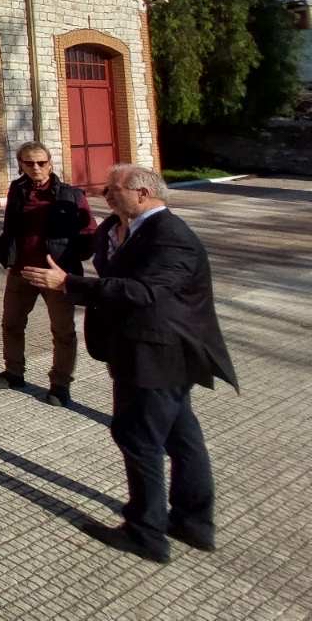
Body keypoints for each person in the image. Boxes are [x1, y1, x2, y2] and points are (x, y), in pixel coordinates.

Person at [22, 164, 237, 564]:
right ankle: (193, 523)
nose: (105, 194)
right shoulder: (120, 228)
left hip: (157, 353)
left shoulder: (172, 236)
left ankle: (145, 532)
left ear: (142, 193)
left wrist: (68, 284)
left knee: (138, 438)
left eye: (113, 189)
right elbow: (108, 262)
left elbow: (144, 292)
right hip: (139, 348)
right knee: (181, 436)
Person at [0, 142, 97, 405]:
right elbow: (9, 227)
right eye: (29, 163)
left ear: (50, 163)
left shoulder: (71, 195)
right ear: (21, 165)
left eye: (41, 162)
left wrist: (69, 261)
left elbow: (89, 232)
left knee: (63, 331)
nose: (36, 167)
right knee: (12, 324)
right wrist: (7, 255)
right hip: (21, 271)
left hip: (56, 276)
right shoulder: (17, 189)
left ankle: (60, 384)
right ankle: (14, 372)